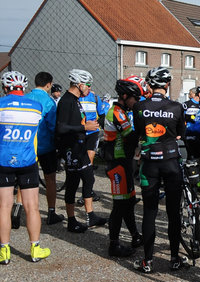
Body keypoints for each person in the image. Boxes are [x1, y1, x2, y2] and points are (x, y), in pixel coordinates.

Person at [132, 67, 187, 273]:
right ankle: (174, 258)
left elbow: (139, 133)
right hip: (171, 162)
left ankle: (147, 261)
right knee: (173, 212)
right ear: (167, 85)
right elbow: (181, 133)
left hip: (149, 164)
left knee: (149, 211)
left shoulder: (139, 106)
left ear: (148, 84)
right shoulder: (176, 106)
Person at [0, 71, 51, 264]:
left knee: (4, 207)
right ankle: (35, 249)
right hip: (28, 160)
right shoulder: (36, 106)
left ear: (5, 88)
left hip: (3, 161)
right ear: (23, 87)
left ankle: (4, 251)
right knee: (32, 207)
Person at [56, 69, 107, 233]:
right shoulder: (66, 101)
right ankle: (71, 220)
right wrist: (84, 127)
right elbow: (61, 127)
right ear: (80, 84)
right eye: (88, 86)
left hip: (79, 145)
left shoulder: (76, 100)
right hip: (71, 148)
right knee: (73, 183)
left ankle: (90, 215)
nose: (90, 89)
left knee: (88, 179)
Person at [104, 76, 146, 257]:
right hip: (117, 163)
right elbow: (131, 136)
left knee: (128, 203)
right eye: (135, 98)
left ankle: (135, 236)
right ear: (125, 95)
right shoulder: (116, 112)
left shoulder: (122, 110)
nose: (136, 102)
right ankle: (113, 244)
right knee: (119, 205)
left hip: (124, 162)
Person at [25, 72, 64, 225]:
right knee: (50, 179)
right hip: (46, 145)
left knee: (25, 181)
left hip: (28, 146)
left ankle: (18, 209)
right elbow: (52, 125)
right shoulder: (48, 101)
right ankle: (51, 212)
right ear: (48, 84)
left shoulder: (26, 98)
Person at [182, 86, 200, 161]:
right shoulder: (186, 104)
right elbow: (181, 118)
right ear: (199, 95)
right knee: (191, 156)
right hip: (189, 134)